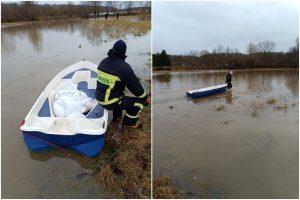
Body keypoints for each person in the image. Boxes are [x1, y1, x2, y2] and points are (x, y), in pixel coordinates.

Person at [95, 40, 149, 128]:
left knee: (117, 93)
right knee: (140, 103)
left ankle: (117, 117)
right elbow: (136, 88)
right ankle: (130, 122)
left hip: (98, 97)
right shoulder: (124, 67)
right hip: (109, 101)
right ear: (124, 52)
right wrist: (145, 98)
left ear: (113, 49)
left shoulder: (103, 61)